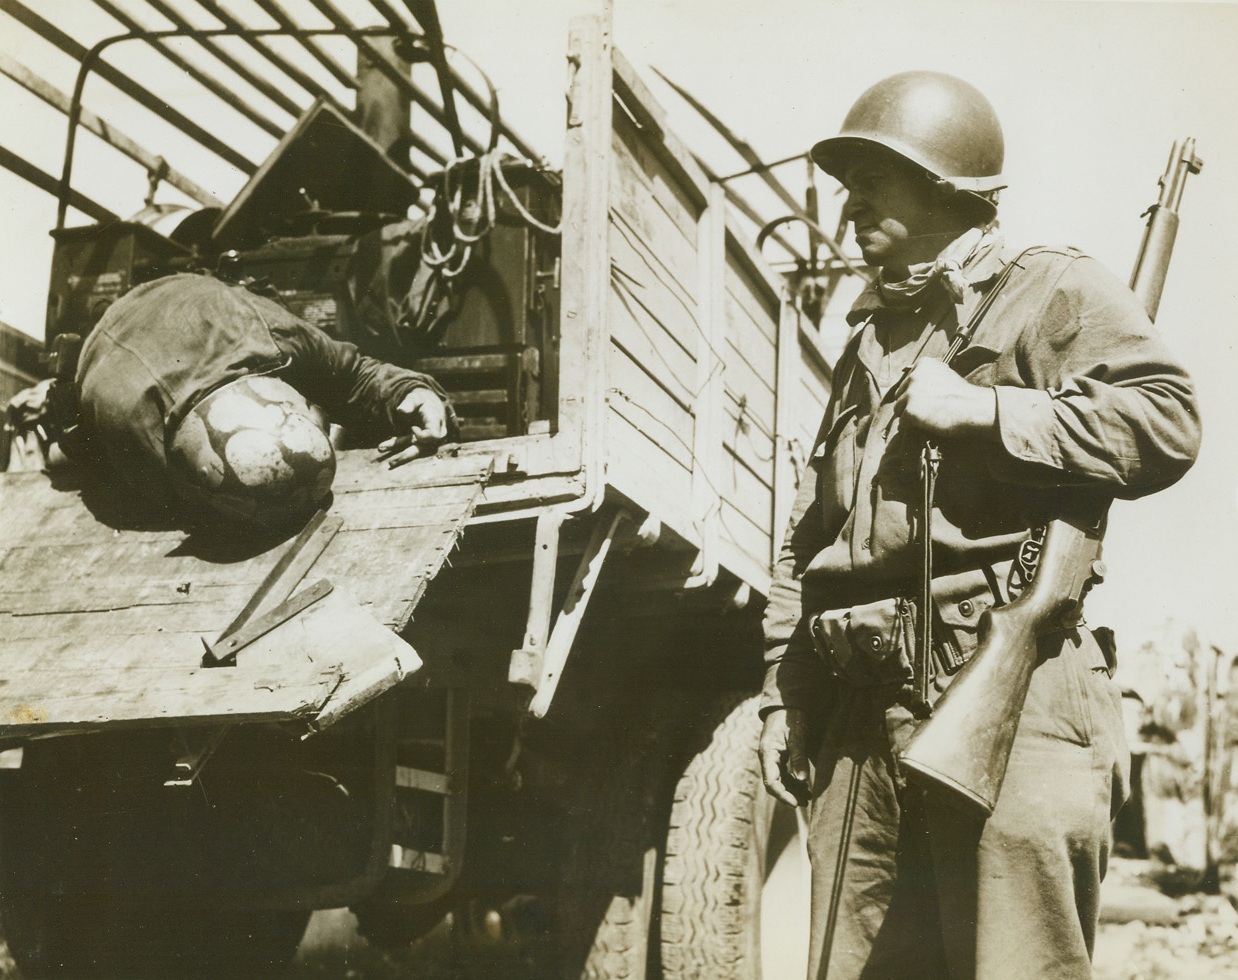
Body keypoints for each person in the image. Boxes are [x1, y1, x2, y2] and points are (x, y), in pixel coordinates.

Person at [756, 71, 1201, 980]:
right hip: (858, 719)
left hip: (1013, 700)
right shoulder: (872, 340)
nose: (847, 215)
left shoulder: (1051, 290)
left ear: (943, 186)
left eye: (869, 187)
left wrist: (988, 414)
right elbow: (814, 538)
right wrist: (784, 691)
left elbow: (1167, 420)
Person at [69, 271, 453, 529]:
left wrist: (412, 392)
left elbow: (353, 372)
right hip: (107, 345)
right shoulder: (133, 440)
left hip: (193, 296)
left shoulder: (275, 335)